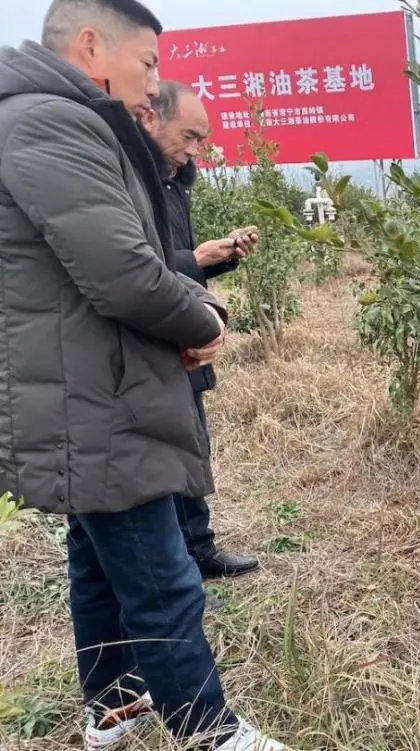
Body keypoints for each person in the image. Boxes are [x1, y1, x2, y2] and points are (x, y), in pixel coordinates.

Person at [0, 1, 285, 749]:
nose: (154, 82)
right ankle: (211, 729)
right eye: (149, 61)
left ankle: (115, 705)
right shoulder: (50, 123)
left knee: (99, 562)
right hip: (97, 396)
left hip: (86, 387)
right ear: (92, 45)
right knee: (163, 582)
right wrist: (205, 322)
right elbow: (125, 273)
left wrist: (191, 296)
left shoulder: (52, 119)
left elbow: (139, 258)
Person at [141, 81, 260, 582]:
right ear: (151, 119)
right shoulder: (131, 183)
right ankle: (178, 558)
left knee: (192, 447)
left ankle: (198, 548)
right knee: (166, 456)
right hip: (151, 343)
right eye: (188, 137)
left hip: (181, 337)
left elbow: (175, 266)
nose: (195, 151)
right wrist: (197, 258)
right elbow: (138, 271)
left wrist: (218, 257)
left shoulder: (171, 184)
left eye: (202, 141)